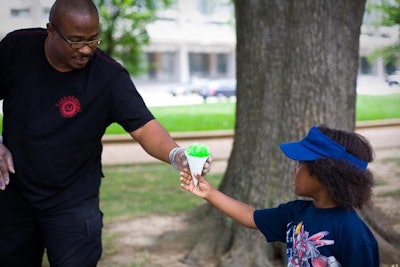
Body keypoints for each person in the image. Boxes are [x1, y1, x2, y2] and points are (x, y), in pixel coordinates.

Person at [0, 0, 211, 266]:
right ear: (51, 31)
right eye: (76, 41)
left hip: (73, 202)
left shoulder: (108, 76)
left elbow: (144, 127)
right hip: (12, 193)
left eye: (93, 39)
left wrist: (176, 155)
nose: (86, 49)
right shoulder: (16, 48)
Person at [180, 124, 380, 266]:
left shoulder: (354, 233)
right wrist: (209, 193)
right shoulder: (296, 212)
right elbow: (251, 217)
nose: (294, 170)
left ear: (324, 173)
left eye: (300, 164)